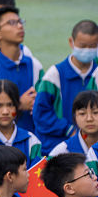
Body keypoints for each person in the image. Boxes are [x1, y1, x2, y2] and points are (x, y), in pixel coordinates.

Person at [33, 20, 98, 151]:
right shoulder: (55, 75)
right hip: (61, 146)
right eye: (82, 46)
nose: (87, 50)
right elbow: (40, 113)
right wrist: (68, 129)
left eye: (92, 46)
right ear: (71, 42)